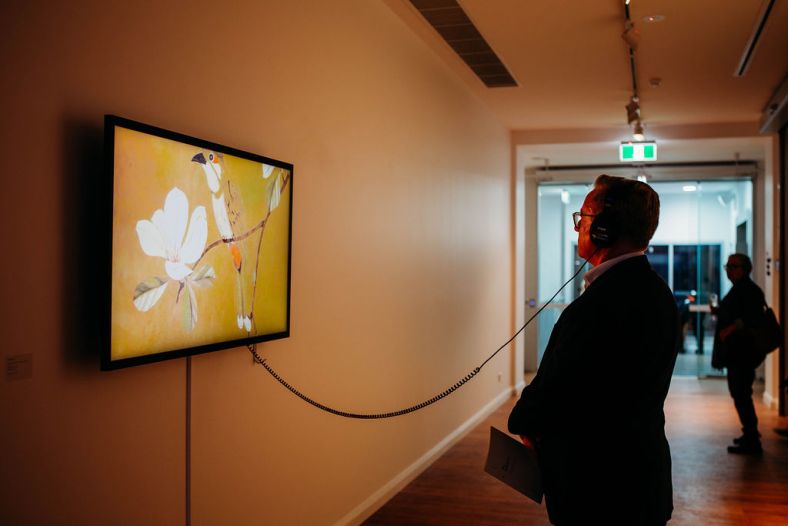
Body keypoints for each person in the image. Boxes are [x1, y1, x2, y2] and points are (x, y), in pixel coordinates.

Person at [508, 174, 678, 526]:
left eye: (584, 217)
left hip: (601, 492)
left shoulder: (602, 305)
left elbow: (562, 388)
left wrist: (523, 419)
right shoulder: (655, 291)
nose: (578, 228)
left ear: (605, 228)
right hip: (640, 483)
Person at [710, 253, 766, 455]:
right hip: (738, 353)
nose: (728, 269)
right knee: (740, 394)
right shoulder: (740, 289)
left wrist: (731, 327)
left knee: (742, 394)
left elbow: (752, 318)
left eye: (733, 266)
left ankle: (752, 439)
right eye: (727, 265)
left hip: (744, 353)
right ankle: (749, 435)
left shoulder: (749, 291)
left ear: (745, 269)